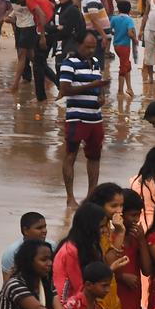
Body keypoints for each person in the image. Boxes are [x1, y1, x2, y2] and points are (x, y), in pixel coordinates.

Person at [59, 31, 106, 207]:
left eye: (93, 47)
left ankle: (91, 196)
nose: (91, 50)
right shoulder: (69, 63)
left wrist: (101, 94)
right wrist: (92, 85)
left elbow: (99, 84)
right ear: (79, 44)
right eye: (88, 47)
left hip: (95, 118)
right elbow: (65, 89)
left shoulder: (95, 63)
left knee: (95, 157)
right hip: (76, 118)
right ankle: (70, 197)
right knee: (71, 155)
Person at [2, 212, 48, 281]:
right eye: (39, 228)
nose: (45, 231)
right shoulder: (11, 253)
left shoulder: (51, 247)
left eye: (45, 227)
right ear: (25, 230)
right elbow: (6, 284)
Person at [109, 1, 136, 98]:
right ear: (129, 10)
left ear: (118, 9)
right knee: (123, 68)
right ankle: (120, 91)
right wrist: (134, 38)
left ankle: (129, 88)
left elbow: (110, 29)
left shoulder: (114, 18)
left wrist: (116, 32)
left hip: (116, 45)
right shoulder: (129, 20)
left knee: (127, 65)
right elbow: (130, 33)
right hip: (125, 46)